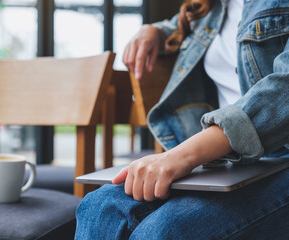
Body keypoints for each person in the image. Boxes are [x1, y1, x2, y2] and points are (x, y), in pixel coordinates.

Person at [75, 0, 289, 239]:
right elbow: (185, 25)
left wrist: (183, 154)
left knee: (163, 232)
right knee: (98, 208)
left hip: (280, 156)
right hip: (230, 160)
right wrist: (155, 31)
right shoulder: (211, 8)